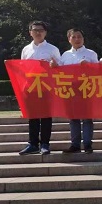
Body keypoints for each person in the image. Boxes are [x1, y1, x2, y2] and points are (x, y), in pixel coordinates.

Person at [18, 21, 61, 155]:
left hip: (47, 88)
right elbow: (23, 69)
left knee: (46, 117)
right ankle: (33, 144)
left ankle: (45, 144)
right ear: (30, 32)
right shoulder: (26, 49)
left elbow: (61, 68)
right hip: (31, 88)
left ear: (45, 32)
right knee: (33, 117)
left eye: (41, 30)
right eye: (35, 30)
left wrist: (54, 65)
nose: (38, 32)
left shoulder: (52, 49)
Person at [60, 28, 99, 153]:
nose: (77, 39)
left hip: (86, 88)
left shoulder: (91, 54)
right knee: (73, 118)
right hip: (70, 89)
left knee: (87, 118)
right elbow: (59, 73)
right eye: (74, 37)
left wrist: (89, 66)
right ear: (69, 39)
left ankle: (87, 144)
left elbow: (99, 71)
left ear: (83, 38)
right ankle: (75, 144)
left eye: (79, 37)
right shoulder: (65, 55)